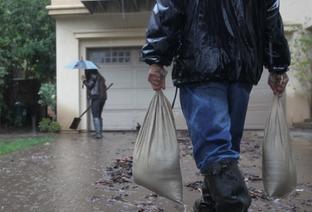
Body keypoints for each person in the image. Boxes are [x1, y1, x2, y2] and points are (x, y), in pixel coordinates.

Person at [142, 0, 290, 211]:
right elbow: (271, 18)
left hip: (200, 63)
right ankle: (210, 205)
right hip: (242, 68)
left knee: (215, 146)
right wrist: (278, 66)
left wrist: (156, 60)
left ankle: (233, 202)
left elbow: (168, 10)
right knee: (226, 145)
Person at [82, 69, 107, 139]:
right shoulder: (101, 77)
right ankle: (99, 132)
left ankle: (98, 134)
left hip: (96, 98)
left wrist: (83, 80)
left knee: (95, 115)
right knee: (99, 115)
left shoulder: (93, 76)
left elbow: (90, 85)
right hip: (103, 98)